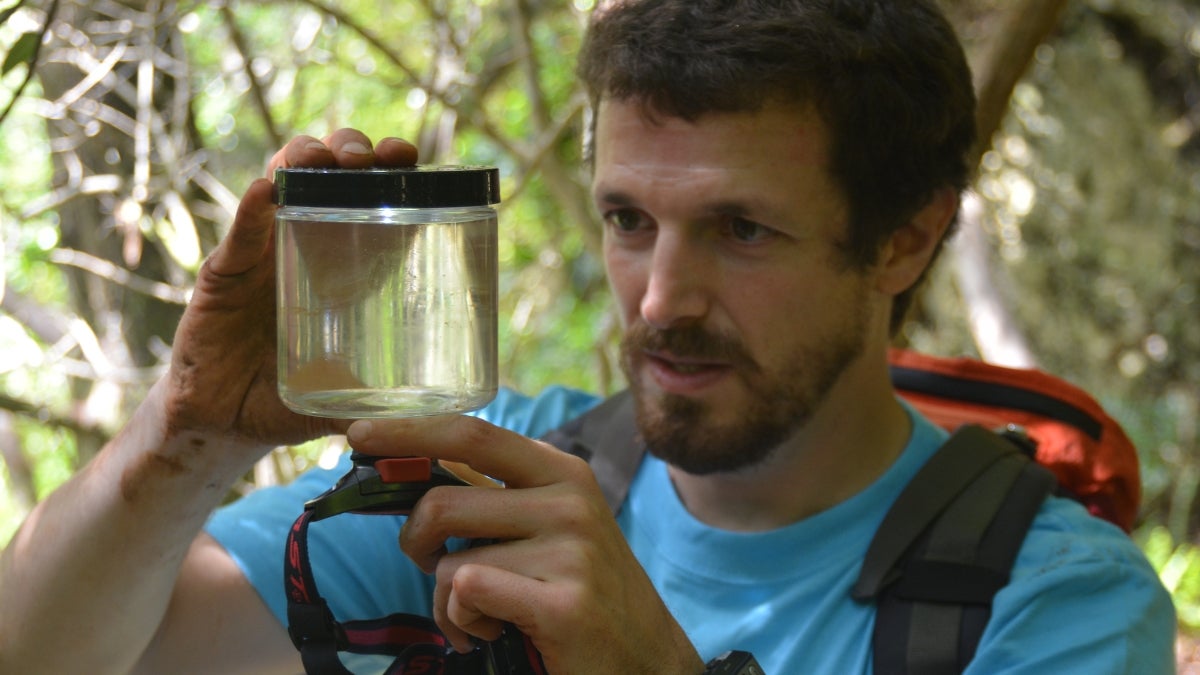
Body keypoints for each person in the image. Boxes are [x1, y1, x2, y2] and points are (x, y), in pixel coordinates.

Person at [0, 1, 1175, 673]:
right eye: (628, 218)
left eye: (742, 229)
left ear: (905, 244)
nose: (662, 297)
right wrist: (186, 438)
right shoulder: (483, 478)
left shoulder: (1056, 604)